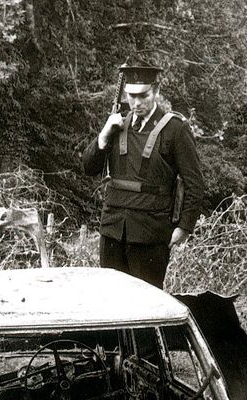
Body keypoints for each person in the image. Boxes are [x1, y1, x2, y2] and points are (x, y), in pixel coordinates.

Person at [81, 63, 205, 288]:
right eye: (131, 96)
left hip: (151, 235)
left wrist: (184, 227)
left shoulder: (175, 129)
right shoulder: (117, 123)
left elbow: (195, 184)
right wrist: (104, 135)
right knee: (109, 303)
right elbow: (88, 168)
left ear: (156, 91)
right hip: (113, 229)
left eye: (143, 96)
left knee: (146, 310)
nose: (136, 103)